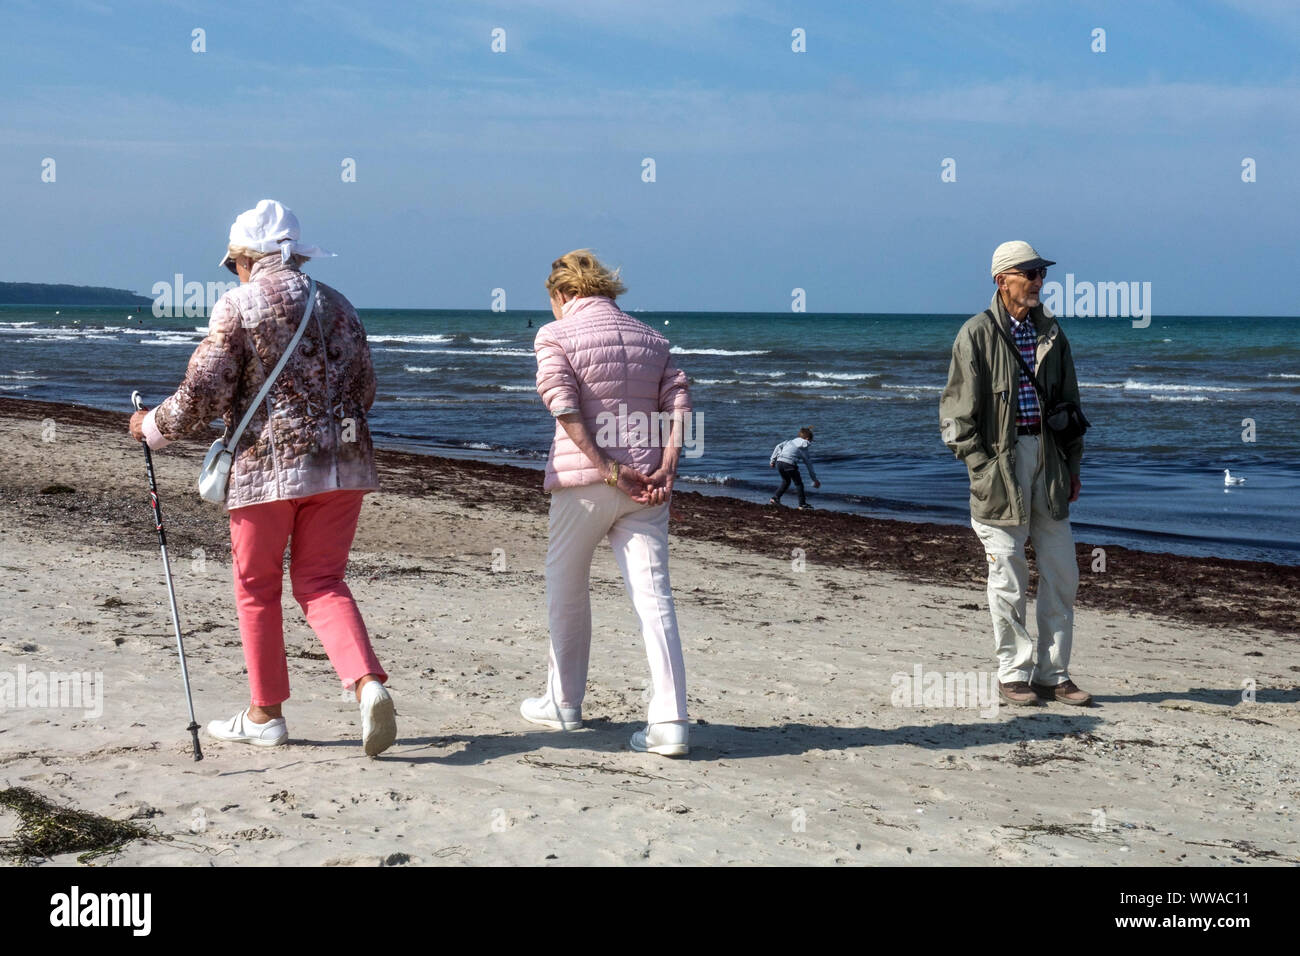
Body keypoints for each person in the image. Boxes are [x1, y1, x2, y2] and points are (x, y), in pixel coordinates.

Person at [128, 199, 397, 754]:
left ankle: (265, 714)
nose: (232, 271)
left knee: (256, 586)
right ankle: (367, 685)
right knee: (322, 582)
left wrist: (152, 427)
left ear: (249, 257)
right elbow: (366, 388)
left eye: (233, 262)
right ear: (295, 253)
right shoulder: (340, 304)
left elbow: (205, 390)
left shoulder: (240, 305)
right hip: (345, 464)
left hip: (267, 469)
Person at [525, 249, 693, 757]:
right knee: (653, 595)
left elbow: (560, 401)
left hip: (587, 484)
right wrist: (668, 464)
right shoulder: (653, 338)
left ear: (562, 294)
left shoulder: (554, 333)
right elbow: (679, 402)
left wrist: (605, 466)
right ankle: (671, 721)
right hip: (647, 485)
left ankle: (563, 702)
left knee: (566, 585)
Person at [939, 240, 1090, 707]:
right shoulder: (975, 334)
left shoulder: (1052, 334)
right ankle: (1013, 672)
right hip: (1000, 466)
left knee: (1061, 571)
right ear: (1002, 279)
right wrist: (981, 468)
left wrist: (1072, 465)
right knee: (1007, 573)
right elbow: (955, 418)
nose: (1039, 281)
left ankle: (1054, 672)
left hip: (1048, 462)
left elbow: (1070, 405)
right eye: (1030, 273)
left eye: (1041, 273)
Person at [769, 427, 820, 509]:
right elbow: (809, 465)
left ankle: (775, 498)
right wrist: (814, 479)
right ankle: (802, 504)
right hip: (789, 464)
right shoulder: (804, 449)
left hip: (779, 462)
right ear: (807, 439)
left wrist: (772, 460)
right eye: (811, 440)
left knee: (786, 481)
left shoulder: (789, 442)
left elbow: (778, 446)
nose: (810, 443)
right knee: (799, 484)